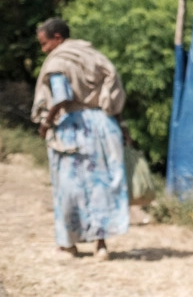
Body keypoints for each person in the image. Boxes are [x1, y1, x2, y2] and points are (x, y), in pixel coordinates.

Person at [31, 18, 130, 259]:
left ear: (57, 38)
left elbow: (62, 97)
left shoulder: (59, 60)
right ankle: (101, 245)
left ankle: (68, 244)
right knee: (100, 186)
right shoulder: (93, 55)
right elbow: (112, 92)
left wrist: (47, 122)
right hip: (103, 126)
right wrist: (121, 125)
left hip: (73, 126)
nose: (43, 49)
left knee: (70, 188)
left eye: (44, 43)